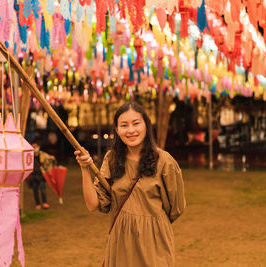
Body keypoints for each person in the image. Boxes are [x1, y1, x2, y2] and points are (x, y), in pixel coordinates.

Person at [74, 102, 186, 267]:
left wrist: (149, 223)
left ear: (146, 126)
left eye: (136, 123)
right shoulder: (111, 159)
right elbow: (93, 205)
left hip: (154, 243)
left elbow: (176, 207)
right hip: (121, 242)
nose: (131, 130)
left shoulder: (165, 162)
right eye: (124, 125)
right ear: (117, 130)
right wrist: (85, 169)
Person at [27, 141, 51, 210]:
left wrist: (51, 158)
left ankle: (44, 202)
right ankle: (37, 204)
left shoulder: (43, 155)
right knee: (35, 190)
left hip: (41, 175)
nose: (34, 148)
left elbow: (48, 161)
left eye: (35, 147)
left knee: (42, 189)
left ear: (38, 147)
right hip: (33, 175)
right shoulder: (29, 156)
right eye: (33, 147)